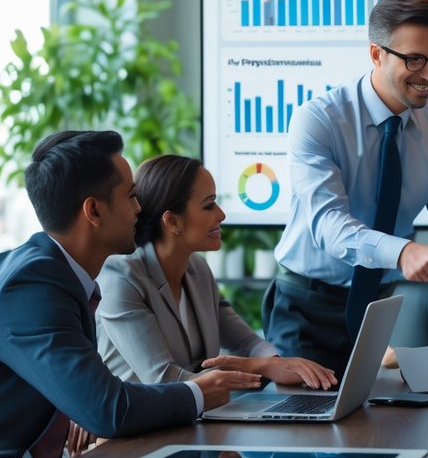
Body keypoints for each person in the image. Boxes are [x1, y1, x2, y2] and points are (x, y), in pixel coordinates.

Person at [0, 132, 260, 458]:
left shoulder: (55, 274)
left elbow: (92, 398)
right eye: (131, 196)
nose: (141, 209)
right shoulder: (32, 284)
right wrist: (200, 393)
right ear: (94, 211)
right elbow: (107, 408)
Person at [264, 0, 428, 372]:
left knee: (383, 422)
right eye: (415, 60)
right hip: (306, 305)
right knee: (305, 422)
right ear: (377, 54)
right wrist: (402, 252)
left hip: (381, 305)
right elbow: (330, 227)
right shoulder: (318, 120)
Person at [97, 155, 336, 390]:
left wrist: (279, 364)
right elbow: (163, 379)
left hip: (192, 418)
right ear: (172, 222)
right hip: (139, 424)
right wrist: (257, 367)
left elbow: (244, 341)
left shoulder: (197, 269)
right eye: (209, 205)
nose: (221, 215)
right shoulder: (121, 277)